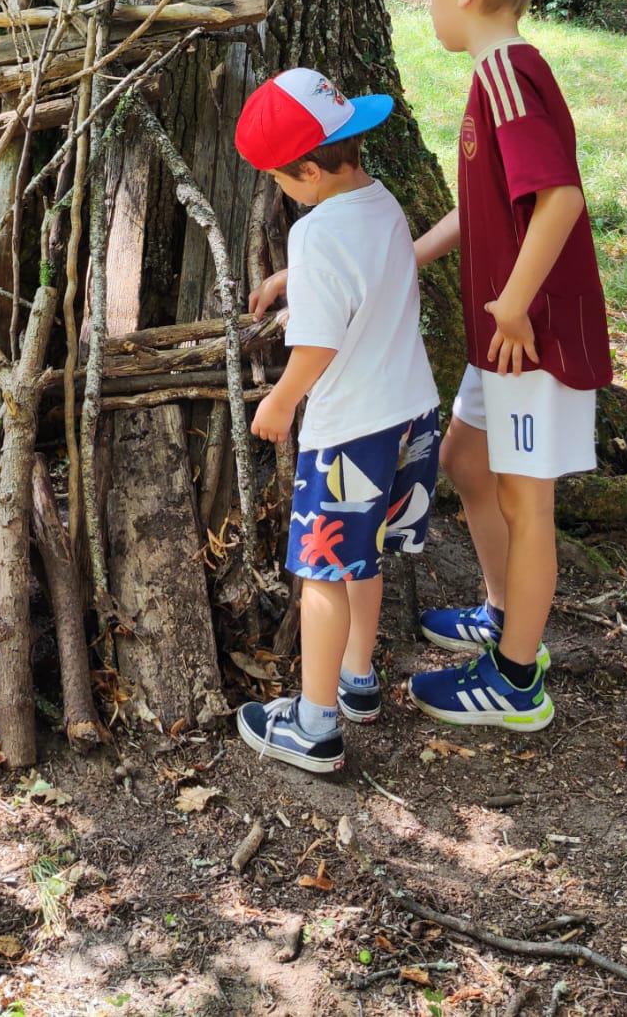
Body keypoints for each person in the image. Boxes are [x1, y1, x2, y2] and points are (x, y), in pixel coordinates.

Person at [408, 0, 613, 732]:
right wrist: (411, 255)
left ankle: (518, 679)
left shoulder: (506, 76)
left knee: (530, 504)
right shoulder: (496, 78)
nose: (427, 5)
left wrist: (516, 306)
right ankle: (502, 614)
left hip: (534, 341)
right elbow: (489, 205)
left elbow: (559, 198)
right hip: (504, 342)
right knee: (465, 460)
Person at [233, 67, 442, 773]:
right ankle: (357, 677)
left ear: (308, 169)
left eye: (281, 181)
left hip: (350, 431)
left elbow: (318, 341)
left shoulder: (316, 235)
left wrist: (282, 400)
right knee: (365, 553)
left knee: (322, 571)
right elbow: (372, 266)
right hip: (410, 414)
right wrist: (294, 277)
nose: (281, 193)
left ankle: (316, 725)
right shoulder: (380, 200)